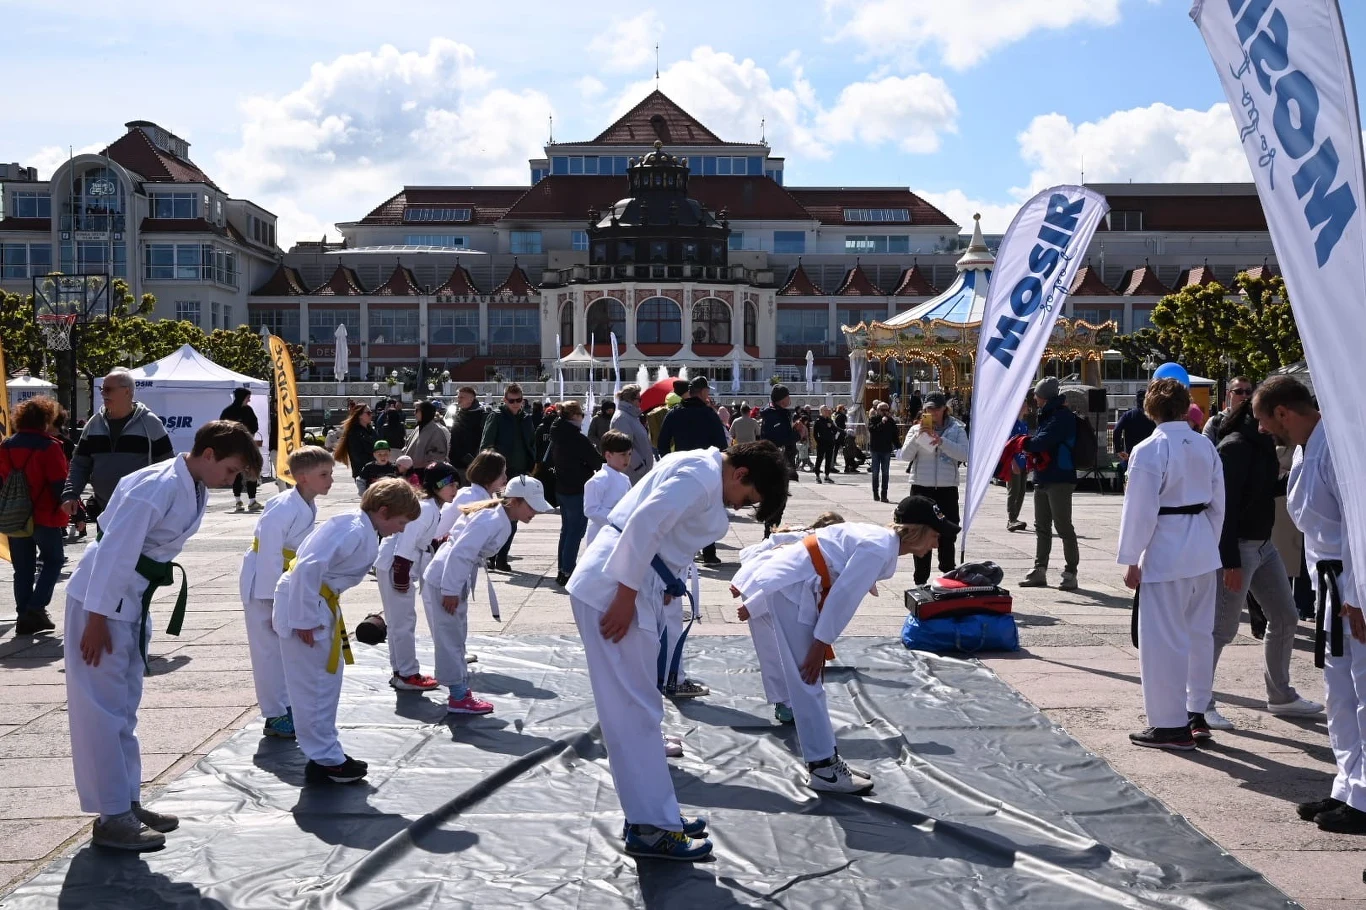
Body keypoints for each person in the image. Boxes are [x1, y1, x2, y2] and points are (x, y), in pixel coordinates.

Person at [565, 441, 788, 861]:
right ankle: (651, 825)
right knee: (634, 712)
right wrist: (625, 596)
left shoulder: (698, 465)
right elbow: (644, 524)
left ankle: (654, 815)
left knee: (639, 709)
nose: (739, 506)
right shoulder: (701, 477)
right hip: (615, 588)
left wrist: (662, 584)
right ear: (740, 474)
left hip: (627, 582)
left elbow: (659, 531)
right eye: (746, 498)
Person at [65, 420, 261, 850]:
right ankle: (112, 815)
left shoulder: (191, 483)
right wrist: (96, 619)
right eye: (230, 470)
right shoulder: (155, 486)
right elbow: (114, 550)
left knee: (124, 707)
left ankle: (126, 801)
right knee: (101, 710)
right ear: (208, 454)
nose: (231, 480)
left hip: (130, 599)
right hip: (100, 599)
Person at [731, 497, 951, 791]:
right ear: (917, 531)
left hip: (792, 582)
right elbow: (843, 597)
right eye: (935, 535)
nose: (936, 544)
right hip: (793, 587)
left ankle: (825, 760)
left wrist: (819, 643)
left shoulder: (880, 542)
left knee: (808, 679)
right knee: (807, 678)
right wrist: (819, 645)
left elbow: (832, 569)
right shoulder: (878, 547)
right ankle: (823, 768)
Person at [1255, 377, 1366, 833]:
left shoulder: (1339, 448)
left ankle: (1364, 796)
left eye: (1264, 420)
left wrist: (1356, 596)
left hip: (1352, 585)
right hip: (1329, 584)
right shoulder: (1306, 449)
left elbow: (1360, 526)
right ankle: (1348, 785)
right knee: (1339, 691)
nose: (1262, 430)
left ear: (1283, 412)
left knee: (1363, 690)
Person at [275, 478, 420, 786]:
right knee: (315, 685)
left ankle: (325, 753)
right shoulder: (353, 529)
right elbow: (307, 567)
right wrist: (303, 619)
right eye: (401, 522)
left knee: (325, 682)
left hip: (315, 602)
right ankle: (326, 759)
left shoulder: (357, 526)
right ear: (383, 511)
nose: (401, 530)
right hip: (307, 604)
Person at [1116, 378, 1224, 751]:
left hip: (1166, 550)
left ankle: (1169, 724)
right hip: (1202, 548)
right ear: (1184, 407)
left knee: (1163, 641)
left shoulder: (1149, 449)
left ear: (1150, 409)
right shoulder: (1205, 445)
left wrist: (1132, 558)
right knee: (1199, 635)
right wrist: (1208, 543)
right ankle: (1196, 712)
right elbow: (1218, 504)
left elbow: (1139, 509)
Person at [1205, 399, 1323, 729]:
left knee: (1285, 616)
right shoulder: (1234, 447)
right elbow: (1224, 507)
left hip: (1263, 545)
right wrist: (1229, 562)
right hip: (1239, 549)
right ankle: (1199, 703)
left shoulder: (1262, 444)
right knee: (1221, 629)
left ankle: (1281, 696)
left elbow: (1263, 490)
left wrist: (1296, 473)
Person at [424, 476, 554, 714]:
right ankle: (457, 695)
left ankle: (460, 689)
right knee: (450, 637)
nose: (535, 512)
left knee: (456, 635)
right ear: (515, 501)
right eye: (531, 506)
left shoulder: (496, 516)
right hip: (447, 577)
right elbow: (461, 552)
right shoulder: (492, 519)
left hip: (452, 576)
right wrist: (450, 590)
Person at [238, 446, 334, 741]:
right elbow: (268, 551)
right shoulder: (283, 506)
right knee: (267, 650)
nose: (330, 480)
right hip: (263, 581)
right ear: (303, 477)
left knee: (283, 648)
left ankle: (287, 704)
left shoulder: (306, 503)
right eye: (324, 474)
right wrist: (270, 597)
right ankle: (274, 714)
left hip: (284, 577)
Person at [733, 511, 846, 727]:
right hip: (766, 590)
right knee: (775, 651)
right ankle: (786, 703)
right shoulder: (813, 549)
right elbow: (779, 580)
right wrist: (752, 606)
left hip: (764, 586)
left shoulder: (807, 538)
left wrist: (741, 584)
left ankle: (790, 701)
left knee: (782, 649)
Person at [375, 461, 458, 693]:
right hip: (396, 565)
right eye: (450, 484)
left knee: (398, 622)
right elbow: (407, 540)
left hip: (394, 563)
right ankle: (407, 674)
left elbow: (419, 539)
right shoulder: (427, 508)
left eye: (456, 484)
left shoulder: (430, 507)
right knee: (403, 623)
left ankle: (401, 671)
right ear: (436, 486)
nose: (455, 489)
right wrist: (401, 573)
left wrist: (436, 542)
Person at [62, 368, 174, 524]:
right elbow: (80, 464)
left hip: (141, 514)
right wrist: (71, 494)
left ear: (127, 392)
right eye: (102, 389)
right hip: (104, 512)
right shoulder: (94, 424)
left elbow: (168, 467)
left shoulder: (151, 423)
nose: (103, 394)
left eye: (108, 389)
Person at [1, 397, 70, 636]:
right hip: (44, 515)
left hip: (15, 515)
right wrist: (76, 510)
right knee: (54, 560)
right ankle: (36, 607)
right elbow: (59, 483)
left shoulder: (6, 446)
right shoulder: (49, 446)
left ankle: (24, 616)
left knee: (23, 569)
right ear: (46, 419)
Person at [898, 391, 968, 584]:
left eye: (936, 409)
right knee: (920, 533)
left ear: (944, 408)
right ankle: (920, 580)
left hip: (946, 488)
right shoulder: (916, 429)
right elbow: (905, 456)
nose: (932, 413)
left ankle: (948, 575)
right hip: (922, 487)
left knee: (948, 533)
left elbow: (965, 454)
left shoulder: (957, 428)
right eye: (928, 409)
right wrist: (918, 436)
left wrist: (942, 441)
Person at [658, 376, 730, 565]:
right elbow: (721, 445)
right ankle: (709, 553)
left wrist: (670, 462)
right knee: (706, 510)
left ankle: (680, 552)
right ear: (703, 392)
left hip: (681, 468)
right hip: (706, 469)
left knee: (681, 512)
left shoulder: (674, 413)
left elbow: (662, 443)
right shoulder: (709, 414)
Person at [1020, 378, 1081, 591]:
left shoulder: (1062, 417)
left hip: (1060, 478)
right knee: (1042, 526)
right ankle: (1040, 569)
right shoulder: (1047, 415)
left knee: (1063, 526)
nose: (1034, 399)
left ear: (1044, 396)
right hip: (1043, 476)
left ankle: (1071, 572)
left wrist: (1022, 442)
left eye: (1036, 395)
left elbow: (1042, 442)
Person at [481, 384, 536, 571]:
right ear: (504, 400)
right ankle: (492, 555)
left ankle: (502, 557)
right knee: (501, 517)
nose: (515, 404)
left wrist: (531, 467)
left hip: (520, 474)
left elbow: (531, 444)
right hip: (500, 475)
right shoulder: (496, 417)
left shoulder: (526, 418)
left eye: (518, 400)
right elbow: (486, 445)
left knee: (513, 518)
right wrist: (492, 472)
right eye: (511, 400)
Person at [551, 401, 604, 586]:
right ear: (574, 416)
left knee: (566, 531)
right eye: (581, 414)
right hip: (577, 488)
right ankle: (567, 570)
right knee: (575, 532)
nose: (582, 418)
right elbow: (596, 461)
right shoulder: (576, 438)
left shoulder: (557, 433)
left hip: (562, 487)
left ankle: (561, 569)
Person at [584, 430, 633, 549]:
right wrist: (617, 519)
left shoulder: (625, 479)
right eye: (622, 454)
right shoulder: (598, 480)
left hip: (620, 535)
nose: (627, 459)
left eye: (629, 454)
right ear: (608, 455)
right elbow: (591, 510)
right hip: (600, 536)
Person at [218, 387, 263, 513]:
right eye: (248, 397)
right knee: (238, 473)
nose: (249, 400)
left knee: (251, 472)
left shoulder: (247, 410)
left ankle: (251, 501)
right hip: (235, 447)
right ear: (241, 397)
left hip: (245, 446)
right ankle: (239, 501)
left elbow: (255, 425)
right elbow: (222, 428)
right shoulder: (229, 411)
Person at [609, 384, 654, 485]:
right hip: (634, 474)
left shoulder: (630, 416)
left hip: (638, 474)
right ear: (630, 400)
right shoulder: (622, 418)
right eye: (639, 400)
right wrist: (640, 468)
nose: (641, 402)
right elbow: (625, 446)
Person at [1113, 388, 1157, 491]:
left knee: (1131, 483)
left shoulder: (1128, 415)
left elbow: (1116, 430)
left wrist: (1119, 449)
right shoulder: (1154, 416)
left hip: (1131, 455)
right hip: (1151, 455)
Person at [334, 403, 378, 495]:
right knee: (369, 499)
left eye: (371, 412)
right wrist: (374, 462)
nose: (371, 415)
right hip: (363, 473)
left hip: (377, 470)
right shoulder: (353, 433)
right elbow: (357, 456)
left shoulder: (372, 431)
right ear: (360, 415)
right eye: (368, 413)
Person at [446, 387, 486, 483]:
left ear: (471, 399)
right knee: (442, 485)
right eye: (458, 397)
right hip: (454, 463)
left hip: (470, 466)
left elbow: (483, 440)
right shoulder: (458, 413)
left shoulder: (481, 416)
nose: (458, 400)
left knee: (464, 489)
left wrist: (472, 458)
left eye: (462, 397)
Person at [866, 401, 900, 503]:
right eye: (882, 410)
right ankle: (875, 493)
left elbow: (895, 435)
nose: (885, 412)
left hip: (886, 450)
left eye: (886, 410)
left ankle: (884, 494)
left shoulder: (891, 421)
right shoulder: (873, 419)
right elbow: (873, 430)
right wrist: (882, 422)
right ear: (877, 410)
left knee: (885, 473)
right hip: (875, 449)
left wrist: (899, 447)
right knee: (875, 472)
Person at [1203, 376, 1254, 444]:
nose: (1244, 395)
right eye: (1239, 391)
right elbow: (1205, 447)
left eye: (1248, 392)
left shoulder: (1258, 421)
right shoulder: (1215, 422)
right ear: (1229, 394)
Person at [1006, 401, 1030, 532]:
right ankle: (1012, 519)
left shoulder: (1024, 424)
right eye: (1024, 405)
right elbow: (1007, 446)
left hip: (1023, 461)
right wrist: (1012, 462)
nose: (1027, 407)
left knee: (1021, 491)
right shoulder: (1011, 424)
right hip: (1014, 462)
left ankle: (1015, 517)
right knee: (1013, 490)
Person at [813, 406, 839, 483]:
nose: (827, 411)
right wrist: (818, 441)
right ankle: (817, 476)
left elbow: (835, 430)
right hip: (821, 443)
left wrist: (831, 428)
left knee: (828, 460)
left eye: (827, 410)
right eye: (825, 410)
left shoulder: (829, 420)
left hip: (830, 443)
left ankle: (827, 476)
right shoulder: (818, 421)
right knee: (819, 459)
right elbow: (815, 434)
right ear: (821, 411)